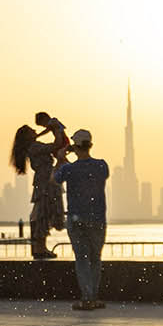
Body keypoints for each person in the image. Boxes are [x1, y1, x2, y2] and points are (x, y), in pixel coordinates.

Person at [54, 128, 110, 309]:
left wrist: (61, 158)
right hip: (98, 219)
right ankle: (93, 296)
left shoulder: (69, 168)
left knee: (82, 259)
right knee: (95, 258)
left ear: (75, 147)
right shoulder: (102, 166)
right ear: (90, 145)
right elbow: (89, 170)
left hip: (76, 219)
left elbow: (54, 179)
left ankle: (86, 298)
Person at [10, 122, 64, 259]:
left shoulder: (34, 146)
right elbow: (56, 145)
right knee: (43, 212)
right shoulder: (35, 147)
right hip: (46, 180)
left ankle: (40, 247)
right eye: (32, 130)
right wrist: (57, 129)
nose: (35, 130)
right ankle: (40, 248)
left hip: (45, 179)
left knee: (44, 212)